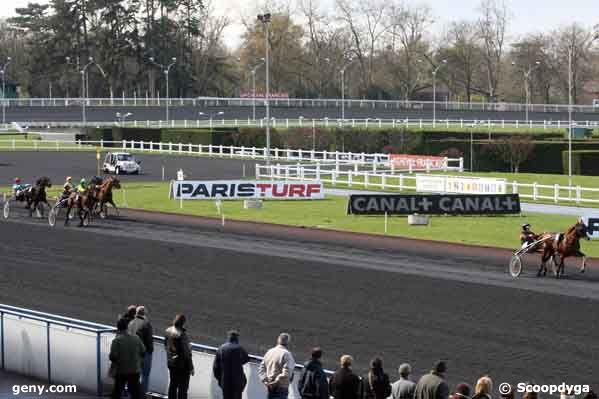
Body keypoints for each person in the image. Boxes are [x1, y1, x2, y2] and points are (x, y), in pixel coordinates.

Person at [109, 317, 146, 399]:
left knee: (117, 392)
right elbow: (143, 351)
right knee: (135, 393)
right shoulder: (136, 338)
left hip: (121, 370)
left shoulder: (116, 341)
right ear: (127, 327)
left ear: (118, 328)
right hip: (135, 369)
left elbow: (113, 357)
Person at [213, 330, 250, 399]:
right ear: (236, 338)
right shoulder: (240, 348)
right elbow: (246, 359)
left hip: (225, 382)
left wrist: (220, 380)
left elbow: (215, 368)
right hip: (237, 382)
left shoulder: (221, 348)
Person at [165, 314, 194, 399]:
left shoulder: (168, 330)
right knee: (183, 388)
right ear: (183, 323)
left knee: (173, 385)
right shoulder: (182, 335)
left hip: (171, 362)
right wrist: (191, 367)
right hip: (182, 365)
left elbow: (165, 346)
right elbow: (186, 353)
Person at [258, 333, 296, 399]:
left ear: (278, 340)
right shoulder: (287, 354)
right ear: (288, 342)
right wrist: (276, 382)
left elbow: (262, 368)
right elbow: (287, 372)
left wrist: (265, 381)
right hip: (281, 387)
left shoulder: (269, 352)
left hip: (269, 386)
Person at [128, 306, 154, 395]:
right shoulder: (146, 323)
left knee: (133, 375)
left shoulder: (131, 323)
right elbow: (149, 339)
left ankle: (132, 394)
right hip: (145, 352)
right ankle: (142, 394)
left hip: (133, 353)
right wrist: (150, 350)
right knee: (145, 375)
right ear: (144, 314)